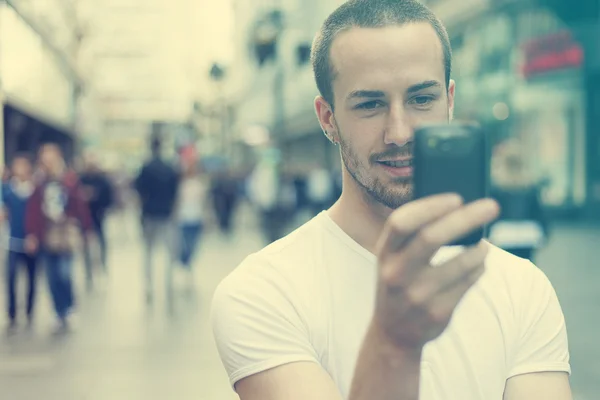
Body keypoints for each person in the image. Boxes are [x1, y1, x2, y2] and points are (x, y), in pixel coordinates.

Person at [210, 1, 571, 399]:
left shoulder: (522, 288)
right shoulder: (263, 292)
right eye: (370, 104)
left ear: (449, 101)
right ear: (327, 118)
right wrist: (393, 340)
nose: (399, 132)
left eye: (421, 100)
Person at [25, 144, 93, 332]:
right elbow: (32, 210)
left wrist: (87, 229)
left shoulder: (69, 179)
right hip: (46, 233)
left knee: (64, 273)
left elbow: (80, 205)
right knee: (51, 277)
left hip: (65, 233)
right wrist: (31, 234)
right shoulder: (39, 182)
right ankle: (58, 311)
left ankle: (69, 307)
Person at [134, 135, 179, 304]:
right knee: (169, 252)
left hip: (149, 214)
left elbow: (138, 189)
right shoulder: (169, 168)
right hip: (166, 214)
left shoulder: (146, 168)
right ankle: (169, 283)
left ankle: (149, 285)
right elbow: (175, 191)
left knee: (148, 251)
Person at [489, 144, 549, 261]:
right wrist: (545, 231)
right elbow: (537, 211)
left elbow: (493, 211)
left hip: (503, 234)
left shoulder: (497, 184)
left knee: (505, 267)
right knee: (526, 267)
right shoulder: (530, 184)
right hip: (527, 233)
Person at [2, 154, 38, 329]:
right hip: (13, 241)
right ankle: (12, 313)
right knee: (11, 278)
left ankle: (30, 311)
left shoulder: (34, 190)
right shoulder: (8, 190)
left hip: (31, 241)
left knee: (32, 278)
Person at [80, 153, 115, 287]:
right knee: (86, 245)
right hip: (85, 217)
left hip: (99, 215)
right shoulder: (81, 179)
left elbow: (108, 197)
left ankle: (103, 266)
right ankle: (89, 273)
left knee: (102, 242)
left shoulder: (102, 180)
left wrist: (98, 200)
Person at [175, 154, 208, 271]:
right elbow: (178, 201)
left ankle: (187, 261)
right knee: (185, 243)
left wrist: (207, 217)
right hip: (184, 217)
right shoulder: (182, 185)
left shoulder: (200, 184)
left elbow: (204, 202)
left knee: (194, 244)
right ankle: (184, 260)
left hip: (196, 217)